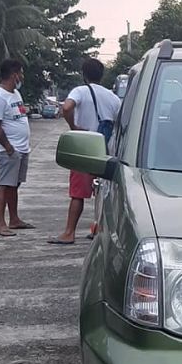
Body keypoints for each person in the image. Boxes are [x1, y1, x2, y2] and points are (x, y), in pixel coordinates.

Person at [48, 58, 121, 245]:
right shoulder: (113, 97)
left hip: (84, 149)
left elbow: (66, 107)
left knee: (78, 194)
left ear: (83, 74)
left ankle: (69, 233)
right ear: (102, 75)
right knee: (102, 192)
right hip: (105, 150)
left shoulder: (80, 91)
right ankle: (98, 228)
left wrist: (73, 126)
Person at [0, 59, 35, 237]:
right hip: (9, 149)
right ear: (14, 75)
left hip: (22, 148)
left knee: (14, 185)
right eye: (20, 73)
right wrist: (8, 147)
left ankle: (14, 219)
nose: (22, 77)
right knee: (4, 184)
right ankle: (1, 224)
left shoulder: (15, 94)